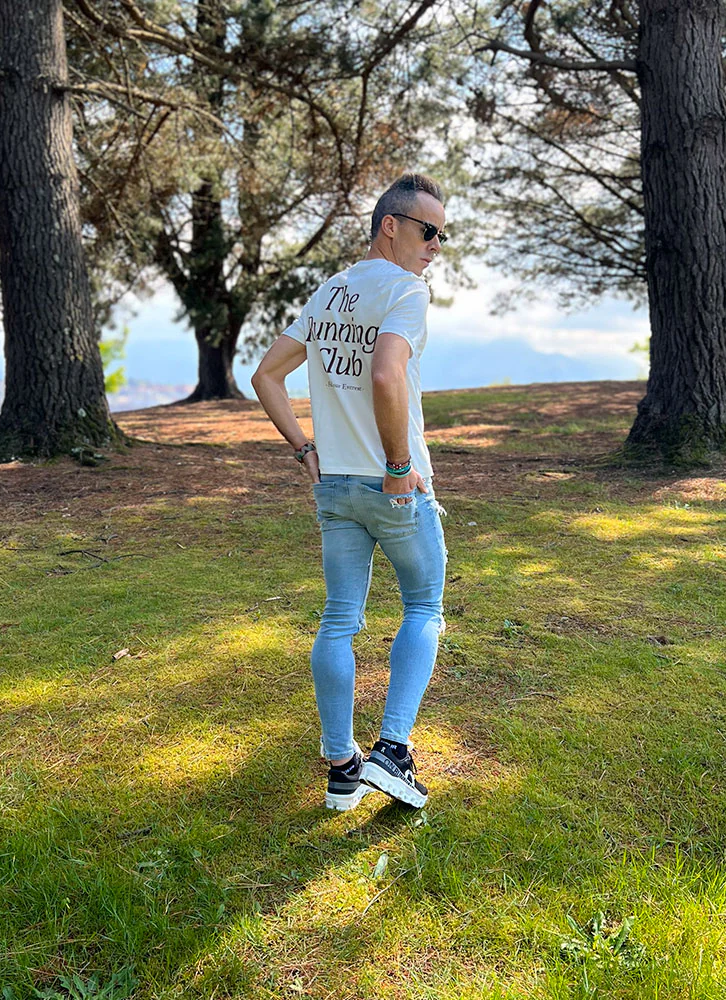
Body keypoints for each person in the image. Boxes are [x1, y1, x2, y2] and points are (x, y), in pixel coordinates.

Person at [251, 173, 448, 811]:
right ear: (391, 226)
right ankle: (392, 752)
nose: (436, 246)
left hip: (334, 484)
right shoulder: (406, 291)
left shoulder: (330, 292)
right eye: (428, 231)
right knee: (423, 607)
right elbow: (387, 374)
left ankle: (342, 768)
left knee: (339, 620)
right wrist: (398, 465)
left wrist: (304, 449)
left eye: (442, 236)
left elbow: (266, 375)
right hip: (393, 486)